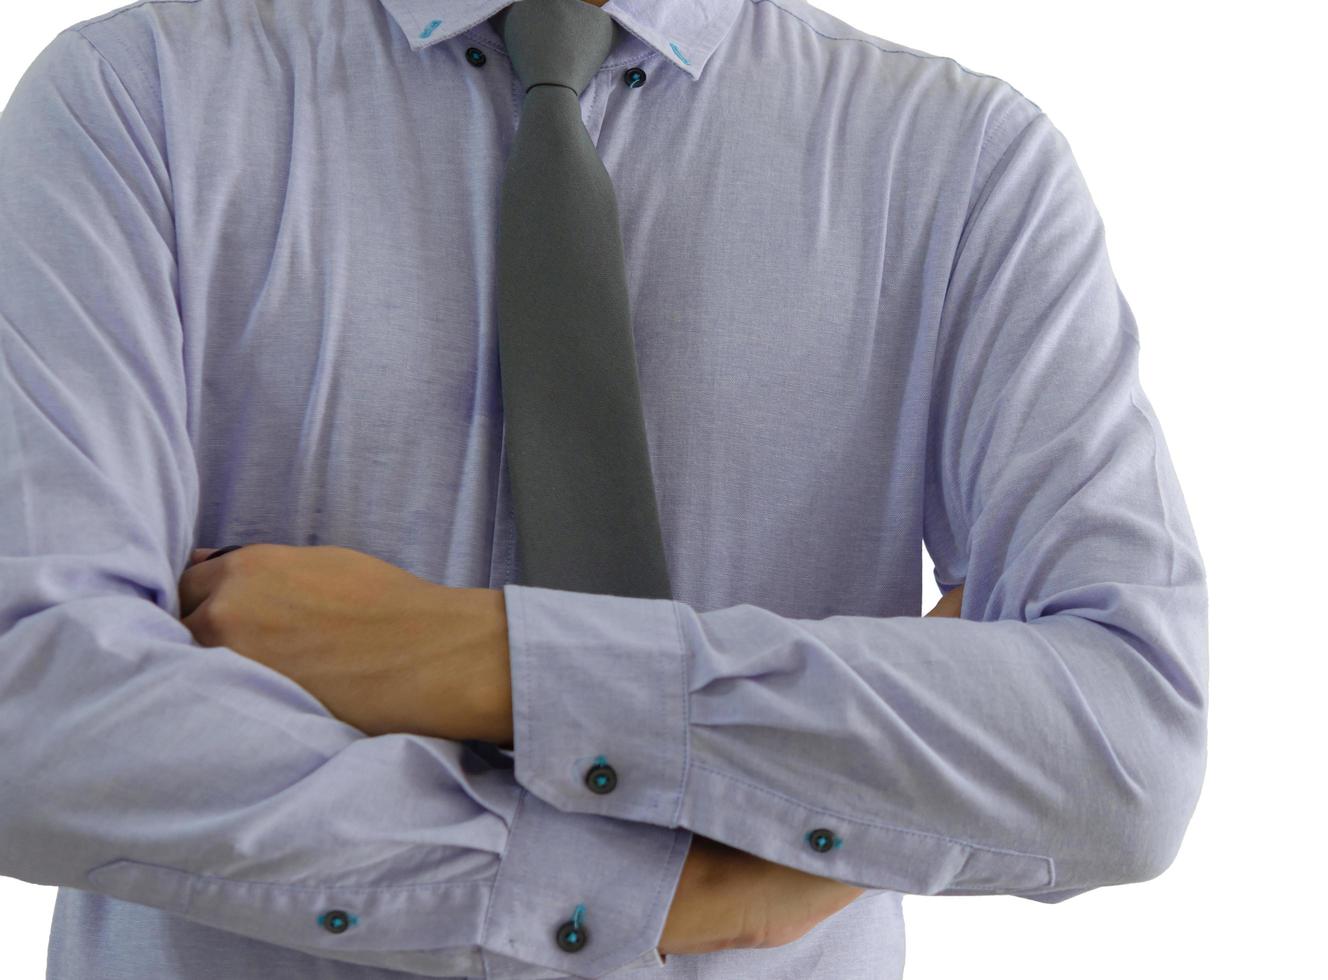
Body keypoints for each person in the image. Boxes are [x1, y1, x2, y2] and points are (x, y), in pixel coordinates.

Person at [0, 0, 1209, 977]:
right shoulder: (135, 105)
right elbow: (35, 708)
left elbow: (1120, 746)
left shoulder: (962, 166)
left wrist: (483, 658)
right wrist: (672, 891)